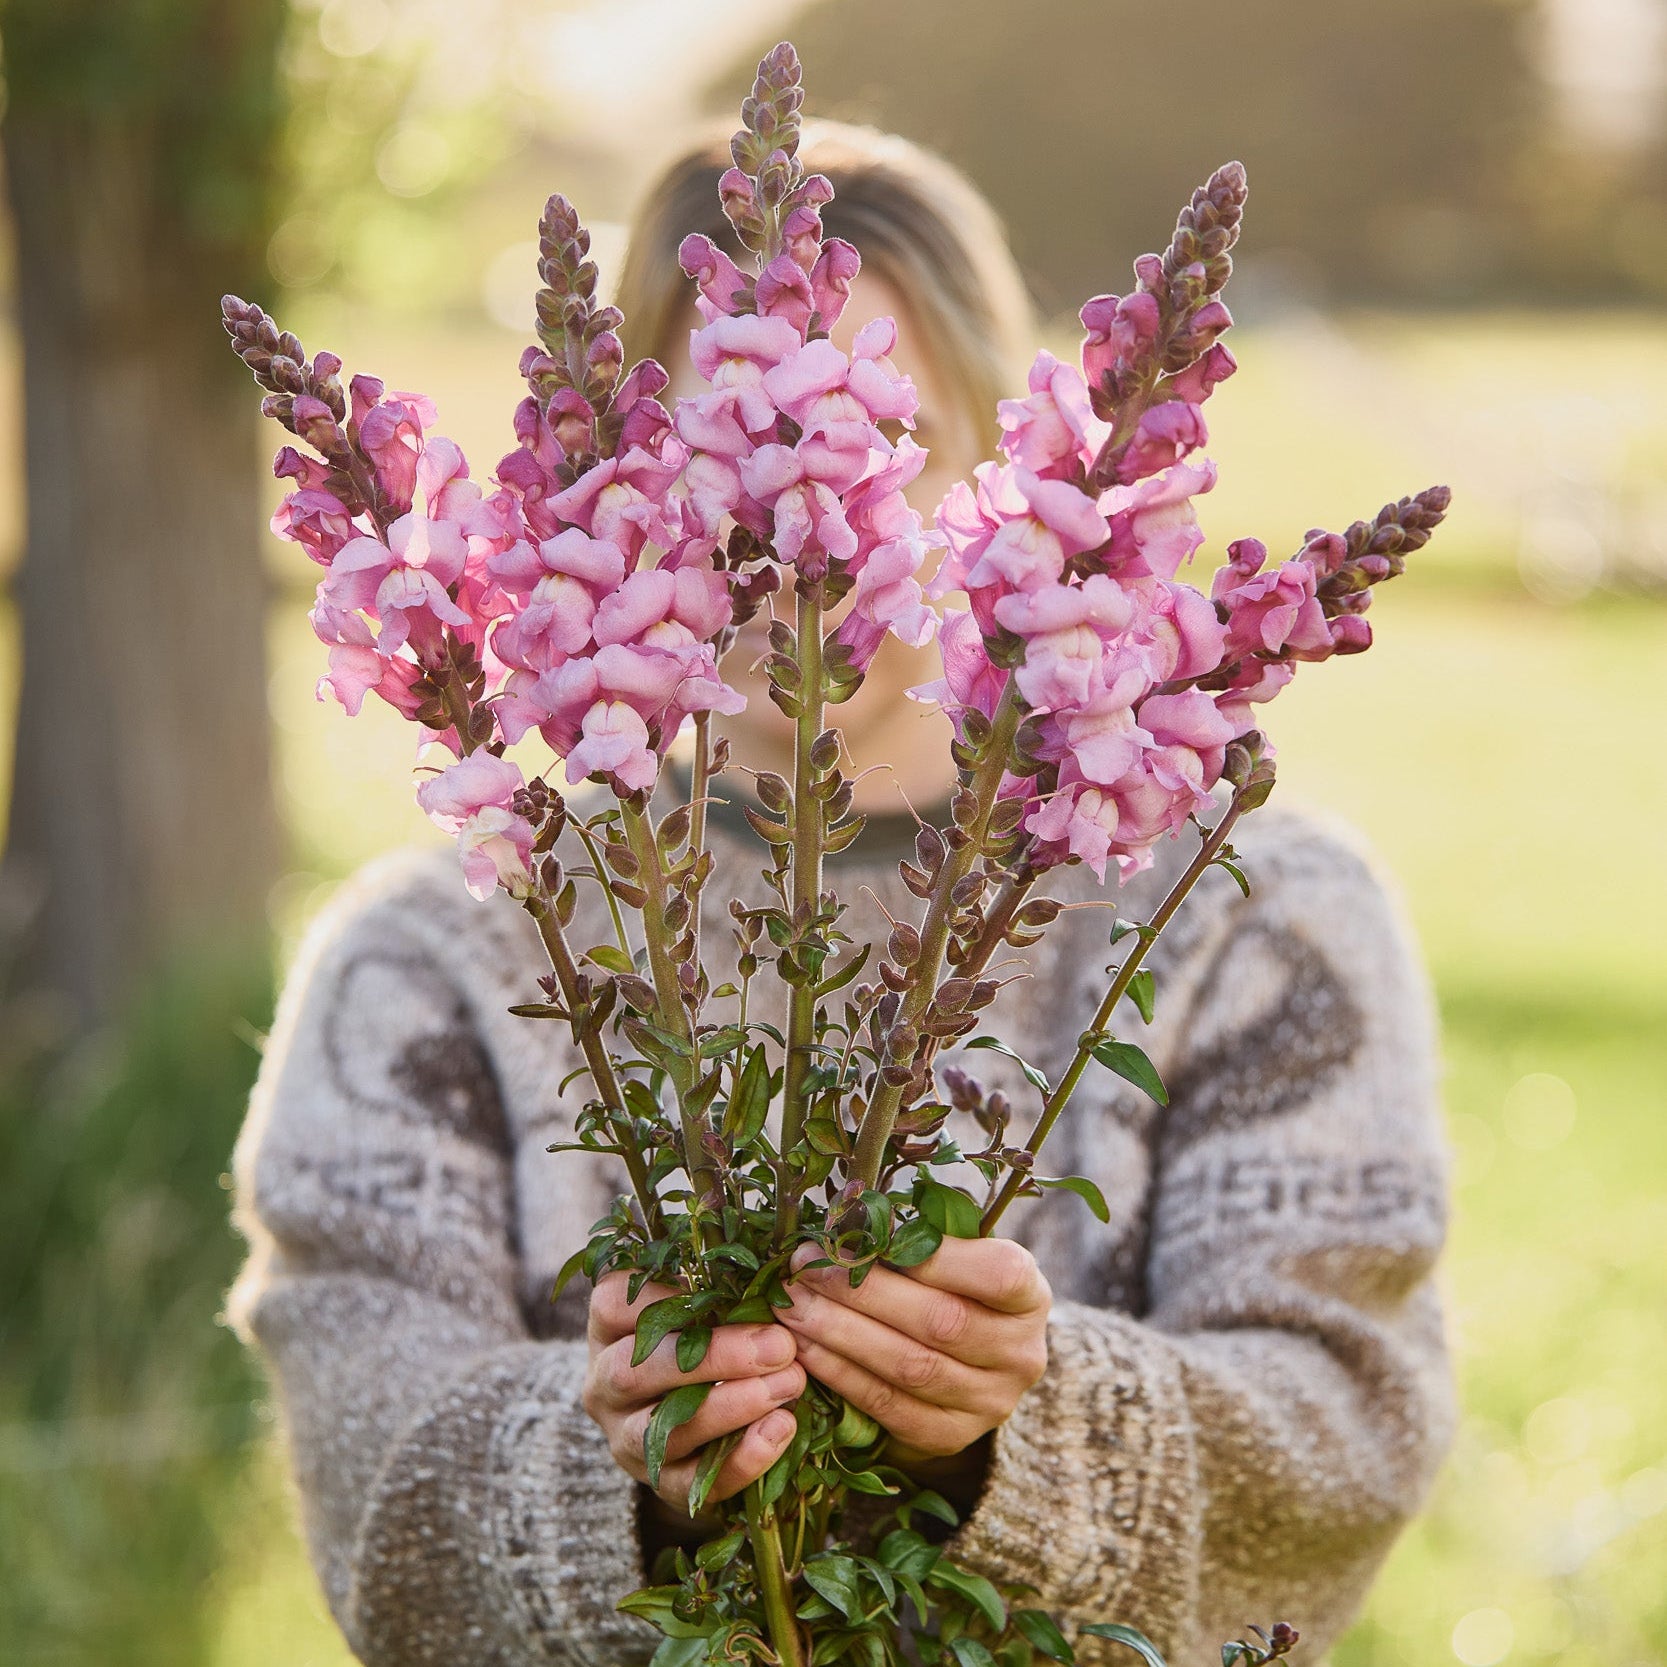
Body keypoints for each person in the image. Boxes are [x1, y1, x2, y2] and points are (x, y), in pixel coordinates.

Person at [229, 120, 1456, 1667]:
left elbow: (1347, 1437)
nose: (768, 535)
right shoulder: (431, 956)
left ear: (1011, 494)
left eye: (885, 452)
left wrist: (1020, 1423)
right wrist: (617, 1465)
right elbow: (370, 1474)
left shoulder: (1254, 918)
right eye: (699, 465)